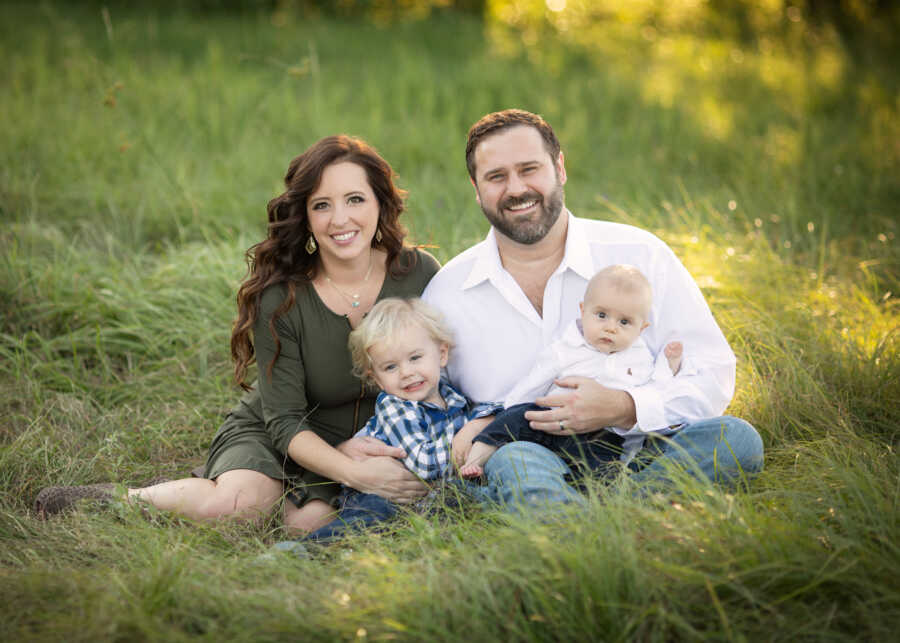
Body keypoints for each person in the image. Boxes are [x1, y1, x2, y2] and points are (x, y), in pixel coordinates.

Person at [34, 135, 438, 533]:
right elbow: (283, 420)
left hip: (378, 439)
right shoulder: (282, 298)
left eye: (355, 199)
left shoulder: (419, 273)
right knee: (239, 507)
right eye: (321, 205)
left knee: (307, 524)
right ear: (306, 217)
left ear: (380, 202)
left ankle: (216, 490)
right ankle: (128, 499)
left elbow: (451, 367)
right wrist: (355, 473)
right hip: (284, 431)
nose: (340, 219)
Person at [423, 109, 764, 510]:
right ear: (476, 189)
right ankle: (620, 518)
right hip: (532, 456)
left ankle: (585, 520)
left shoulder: (640, 254)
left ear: (560, 168)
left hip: (640, 452)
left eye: (529, 169)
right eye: (496, 177)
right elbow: (428, 401)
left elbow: (712, 371)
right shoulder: (448, 292)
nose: (516, 189)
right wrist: (484, 427)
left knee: (736, 440)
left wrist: (624, 407)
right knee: (516, 463)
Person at [301, 297, 502, 541]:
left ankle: (436, 529)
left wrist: (484, 422)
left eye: (415, 358)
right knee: (373, 517)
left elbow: (479, 422)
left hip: (421, 494)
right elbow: (424, 464)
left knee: (467, 496)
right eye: (390, 367)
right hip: (376, 493)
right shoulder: (395, 407)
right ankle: (307, 549)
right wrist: (467, 439)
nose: (407, 373)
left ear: (441, 354)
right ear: (375, 379)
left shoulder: (454, 398)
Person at [458, 264, 684, 479]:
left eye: (624, 322)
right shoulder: (565, 349)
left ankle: (591, 494)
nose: (610, 327)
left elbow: (655, 387)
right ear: (583, 311)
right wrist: (510, 409)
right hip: (549, 420)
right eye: (601, 315)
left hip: (599, 435)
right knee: (511, 421)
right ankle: (475, 461)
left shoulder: (639, 357)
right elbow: (534, 382)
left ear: (641, 328)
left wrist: (669, 364)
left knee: (604, 465)